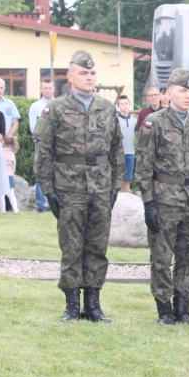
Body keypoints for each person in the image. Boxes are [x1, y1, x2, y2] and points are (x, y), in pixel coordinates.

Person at [33, 50, 124, 323]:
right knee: (71, 246)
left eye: (93, 73)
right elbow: (44, 151)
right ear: (70, 76)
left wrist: (115, 185)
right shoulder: (56, 108)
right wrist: (47, 188)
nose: (89, 77)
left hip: (100, 187)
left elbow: (117, 150)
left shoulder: (107, 108)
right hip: (68, 187)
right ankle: (72, 305)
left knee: (97, 247)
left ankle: (93, 305)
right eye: (83, 73)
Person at [136, 69, 189, 325]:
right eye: (182, 91)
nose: (188, 96)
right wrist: (148, 203)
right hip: (164, 201)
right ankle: (164, 308)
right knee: (161, 257)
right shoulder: (154, 123)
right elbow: (143, 166)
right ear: (169, 93)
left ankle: (183, 305)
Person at [0, 78, 21, 211]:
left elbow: (15, 122)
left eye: (1, 87)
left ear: (5, 88)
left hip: (6, 143)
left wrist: (8, 136)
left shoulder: (10, 103)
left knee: (7, 174)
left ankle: (8, 208)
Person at [29, 78, 55, 212]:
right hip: (42, 147)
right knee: (41, 176)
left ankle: (56, 204)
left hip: (59, 147)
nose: (47, 90)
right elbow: (34, 128)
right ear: (40, 89)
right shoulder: (35, 106)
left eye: (50, 88)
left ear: (53, 89)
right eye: (45, 88)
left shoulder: (60, 105)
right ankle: (40, 205)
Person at [116, 95, 136, 193]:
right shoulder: (116, 121)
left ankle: (126, 198)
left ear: (129, 104)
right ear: (118, 106)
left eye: (126, 103)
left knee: (127, 178)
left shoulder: (134, 121)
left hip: (130, 152)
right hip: (119, 153)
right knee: (118, 178)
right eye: (122, 104)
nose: (124, 106)